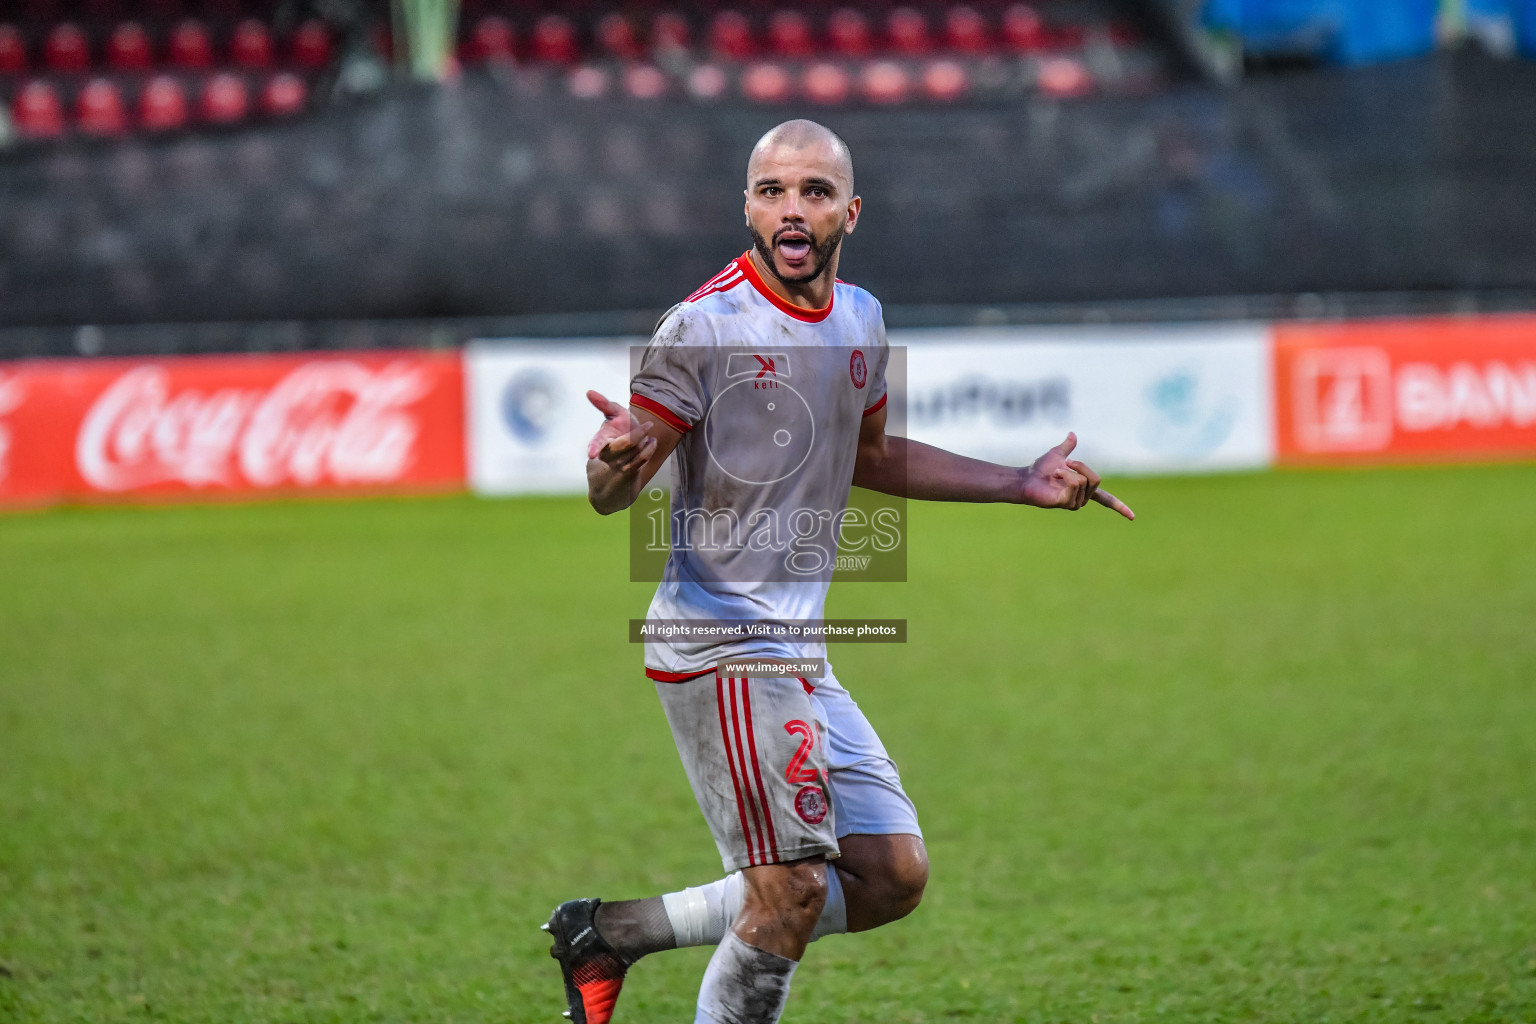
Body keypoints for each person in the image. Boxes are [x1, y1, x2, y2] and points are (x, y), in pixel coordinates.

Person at [546, 119, 1134, 1024]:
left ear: (848, 213)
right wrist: (611, 465)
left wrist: (1018, 482)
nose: (792, 210)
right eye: (773, 191)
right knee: (788, 893)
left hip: (797, 648)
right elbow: (613, 488)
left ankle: (611, 932)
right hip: (719, 642)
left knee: (892, 873)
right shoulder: (703, 327)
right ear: (747, 205)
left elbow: (870, 454)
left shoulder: (860, 317)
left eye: (814, 193)